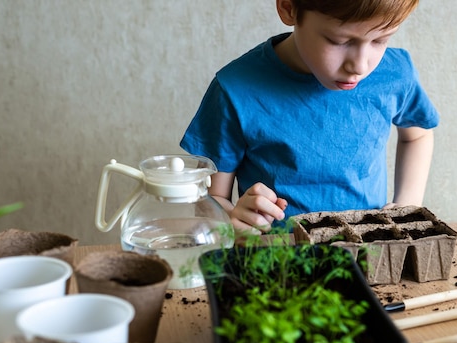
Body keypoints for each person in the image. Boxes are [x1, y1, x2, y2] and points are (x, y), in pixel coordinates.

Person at [180, 0, 438, 234]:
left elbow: (417, 135)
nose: (359, 66)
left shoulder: (396, 73)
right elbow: (210, 203)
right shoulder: (235, 90)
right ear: (289, 8)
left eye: (380, 40)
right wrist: (234, 218)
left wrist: (407, 205)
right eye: (340, 41)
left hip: (368, 257)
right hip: (280, 261)